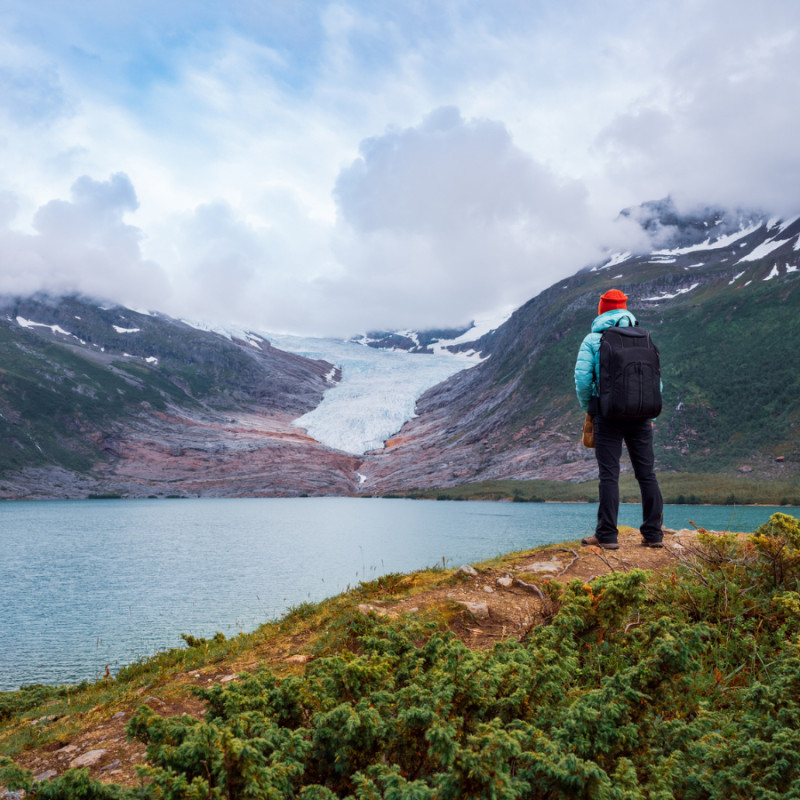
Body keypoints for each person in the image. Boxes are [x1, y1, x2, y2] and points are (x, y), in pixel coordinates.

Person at [574, 289, 664, 549]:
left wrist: (590, 408)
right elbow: (656, 380)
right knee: (647, 474)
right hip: (642, 416)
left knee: (609, 475)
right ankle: (653, 533)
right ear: (625, 309)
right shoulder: (644, 337)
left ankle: (607, 535)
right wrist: (648, 409)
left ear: (602, 310)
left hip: (607, 414)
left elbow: (582, 380)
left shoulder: (594, 339)